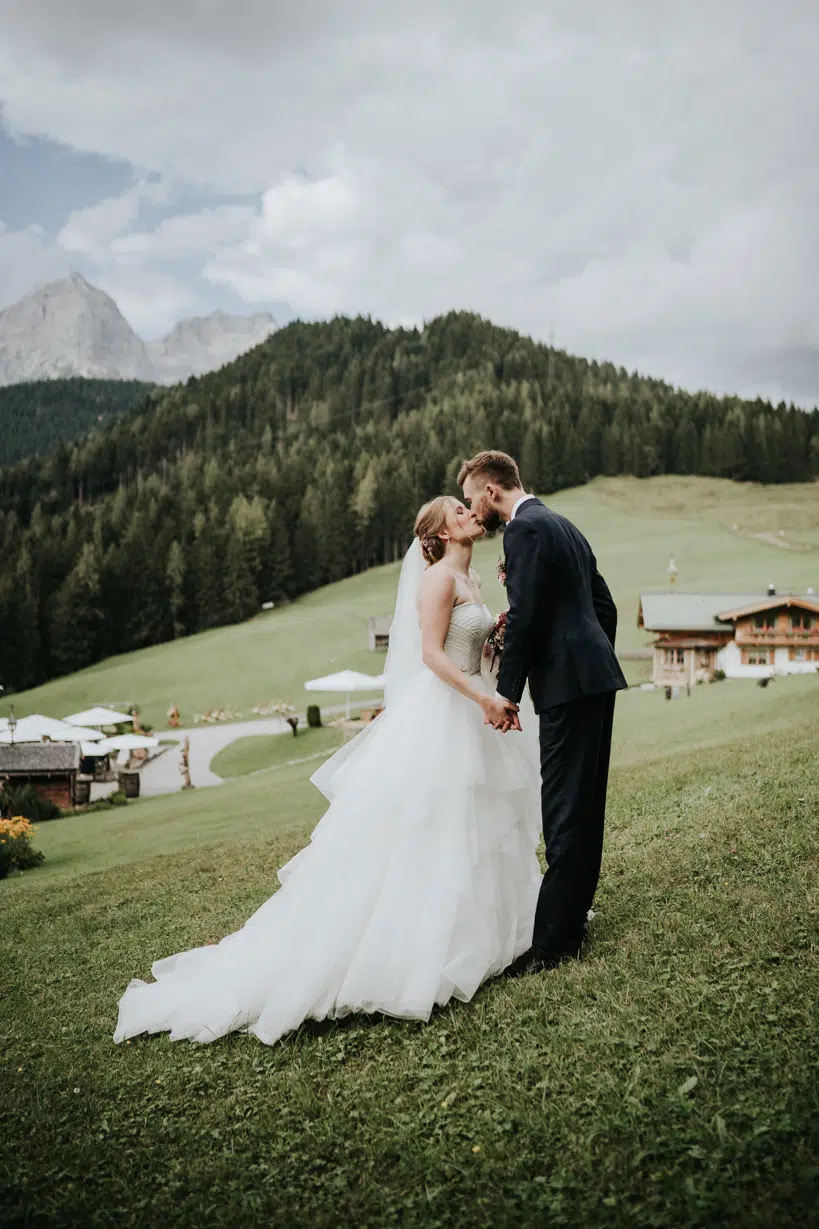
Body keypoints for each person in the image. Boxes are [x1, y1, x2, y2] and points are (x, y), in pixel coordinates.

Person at [113, 496, 541, 1047]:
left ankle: (485, 940)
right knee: (428, 829)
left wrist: (495, 668)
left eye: (466, 507)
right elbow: (433, 657)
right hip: (445, 713)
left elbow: (471, 647)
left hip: (471, 706)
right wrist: (480, 699)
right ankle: (409, 955)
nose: (467, 512)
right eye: (455, 509)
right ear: (437, 531)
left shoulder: (474, 577)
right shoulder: (437, 580)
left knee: (475, 822)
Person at [460, 450, 627, 975]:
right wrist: (594, 658)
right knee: (584, 804)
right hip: (594, 679)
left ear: (491, 491)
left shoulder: (524, 531)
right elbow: (605, 606)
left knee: (561, 808)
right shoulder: (564, 525)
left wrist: (507, 693)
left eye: (471, 500)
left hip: (567, 686)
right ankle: (570, 921)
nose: (472, 510)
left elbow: (528, 615)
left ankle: (554, 945)